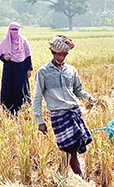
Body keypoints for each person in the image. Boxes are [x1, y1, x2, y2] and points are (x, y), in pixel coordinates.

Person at [32, 35, 96, 176]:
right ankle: (82, 180)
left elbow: (77, 90)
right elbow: (37, 98)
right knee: (70, 150)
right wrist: (40, 121)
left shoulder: (71, 70)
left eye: (65, 54)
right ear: (52, 52)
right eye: (60, 54)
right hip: (59, 115)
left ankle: (58, 175)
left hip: (74, 112)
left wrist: (89, 97)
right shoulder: (43, 72)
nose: (62, 57)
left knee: (71, 150)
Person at [0, 21, 33, 114]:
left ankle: (22, 108)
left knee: (21, 88)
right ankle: (8, 109)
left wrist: (29, 69)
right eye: (12, 29)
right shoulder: (5, 41)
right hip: (9, 69)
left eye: (16, 29)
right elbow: (0, 55)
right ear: (9, 30)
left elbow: (28, 56)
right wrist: (4, 58)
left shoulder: (24, 41)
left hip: (21, 69)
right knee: (9, 88)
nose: (14, 31)